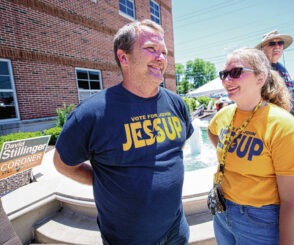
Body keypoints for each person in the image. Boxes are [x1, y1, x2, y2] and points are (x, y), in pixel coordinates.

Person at [53, 19, 194, 245]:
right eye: (151, 49)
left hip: (176, 230)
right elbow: (63, 164)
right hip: (127, 239)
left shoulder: (177, 104)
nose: (161, 58)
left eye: (164, 52)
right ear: (123, 57)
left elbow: (179, 148)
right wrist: (103, 181)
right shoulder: (92, 113)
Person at [208, 48, 294, 245]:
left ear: (260, 78)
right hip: (223, 213)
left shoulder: (284, 127)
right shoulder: (224, 115)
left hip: (260, 220)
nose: (227, 80)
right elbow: (212, 132)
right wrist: (230, 158)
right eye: (224, 74)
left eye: (236, 72)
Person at [255, 30, 294, 115]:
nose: (277, 46)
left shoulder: (282, 68)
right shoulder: (259, 69)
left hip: (286, 119)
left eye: (280, 43)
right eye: (272, 43)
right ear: (262, 48)